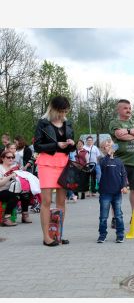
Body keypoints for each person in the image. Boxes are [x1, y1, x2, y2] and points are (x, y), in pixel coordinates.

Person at [34, 95, 76, 247]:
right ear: (53, 109)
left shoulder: (68, 123)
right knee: (46, 201)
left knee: (61, 202)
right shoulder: (43, 123)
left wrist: (72, 144)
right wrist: (56, 145)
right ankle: (46, 237)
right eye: (61, 111)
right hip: (46, 163)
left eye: (65, 111)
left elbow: (71, 147)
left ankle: (58, 234)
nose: (63, 114)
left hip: (63, 163)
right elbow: (37, 146)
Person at [109, 99, 134, 226]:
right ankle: (115, 218)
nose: (128, 110)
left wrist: (129, 131)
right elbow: (120, 136)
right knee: (117, 190)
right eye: (125, 108)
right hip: (121, 162)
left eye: (129, 108)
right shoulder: (114, 122)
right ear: (118, 110)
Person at [93, 139, 129, 243]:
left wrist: (124, 186)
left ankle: (120, 234)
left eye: (111, 145)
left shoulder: (119, 161)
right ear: (103, 149)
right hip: (105, 192)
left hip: (117, 192)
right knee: (103, 216)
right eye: (107, 146)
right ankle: (102, 235)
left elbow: (123, 174)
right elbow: (103, 165)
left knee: (118, 215)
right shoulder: (102, 160)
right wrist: (108, 155)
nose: (110, 147)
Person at [0, 147, 36, 226]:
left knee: (25, 193)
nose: (11, 159)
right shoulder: (0, 168)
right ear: (2, 158)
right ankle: (6, 218)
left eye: (13, 157)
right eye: (8, 157)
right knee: (14, 196)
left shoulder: (14, 167)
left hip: (13, 189)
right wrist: (10, 176)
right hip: (2, 190)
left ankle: (25, 215)